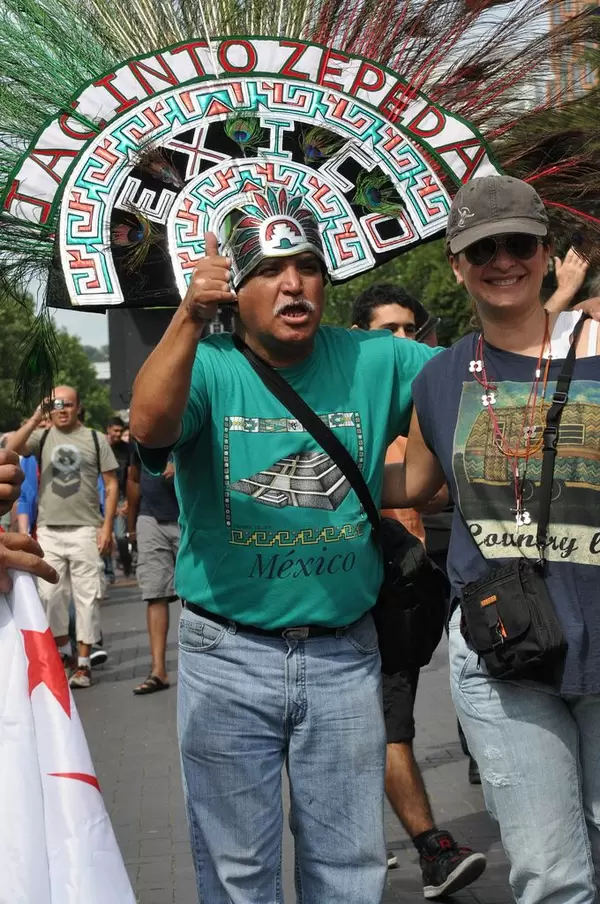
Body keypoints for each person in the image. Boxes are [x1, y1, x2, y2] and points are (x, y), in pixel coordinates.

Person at [129, 191, 439, 903]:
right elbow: (149, 426)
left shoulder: (379, 357)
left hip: (344, 655)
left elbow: (468, 384)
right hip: (226, 657)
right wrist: (186, 316)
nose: (292, 283)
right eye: (269, 269)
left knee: (349, 871)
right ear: (237, 288)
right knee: (240, 876)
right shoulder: (206, 363)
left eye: (307, 266)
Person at [383, 175, 600, 904]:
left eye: (519, 245)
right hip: (504, 648)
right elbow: (410, 483)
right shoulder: (441, 378)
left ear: (545, 254)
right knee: (551, 873)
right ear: (456, 264)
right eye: (483, 249)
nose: (502, 260)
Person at [352, 284, 486, 898]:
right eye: (387, 332)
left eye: (411, 329)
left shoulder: (440, 396)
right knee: (389, 719)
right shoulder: (357, 408)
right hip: (368, 595)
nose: (403, 342)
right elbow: (414, 484)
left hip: (434, 589)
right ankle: (431, 848)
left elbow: (435, 487)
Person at [6, 386, 119, 688]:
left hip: (85, 529)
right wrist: (33, 418)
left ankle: (83, 664)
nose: (61, 409)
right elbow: (11, 450)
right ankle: (64, 653)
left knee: (87, 597)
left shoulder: (95, 439)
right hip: (49, 531)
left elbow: (110, 485)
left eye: (67, 404)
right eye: (56, 405)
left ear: (78, 407)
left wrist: (107, 526)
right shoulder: (41, 437)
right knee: (50, 596)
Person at [127, 448, 180, 695]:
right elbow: (133, 478)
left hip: (190, 515)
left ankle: (208, 667)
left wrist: (182, 470)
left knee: (198, 595)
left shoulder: (199, 414)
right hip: (150, 518)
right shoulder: (140, 430)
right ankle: (158, 670)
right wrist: (131, 528)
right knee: (155, 592)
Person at [105, 415, 132, 579]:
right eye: (115, 430)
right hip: (103, 495)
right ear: (108, 429)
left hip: (121, 495)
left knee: (121, 536)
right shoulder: (100, 446)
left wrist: (129, 500)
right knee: (104, 535)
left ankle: (126, 560)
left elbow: (131, 477)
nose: (118, 434)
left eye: (120, 431)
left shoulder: (127, 449)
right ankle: (108, 571)